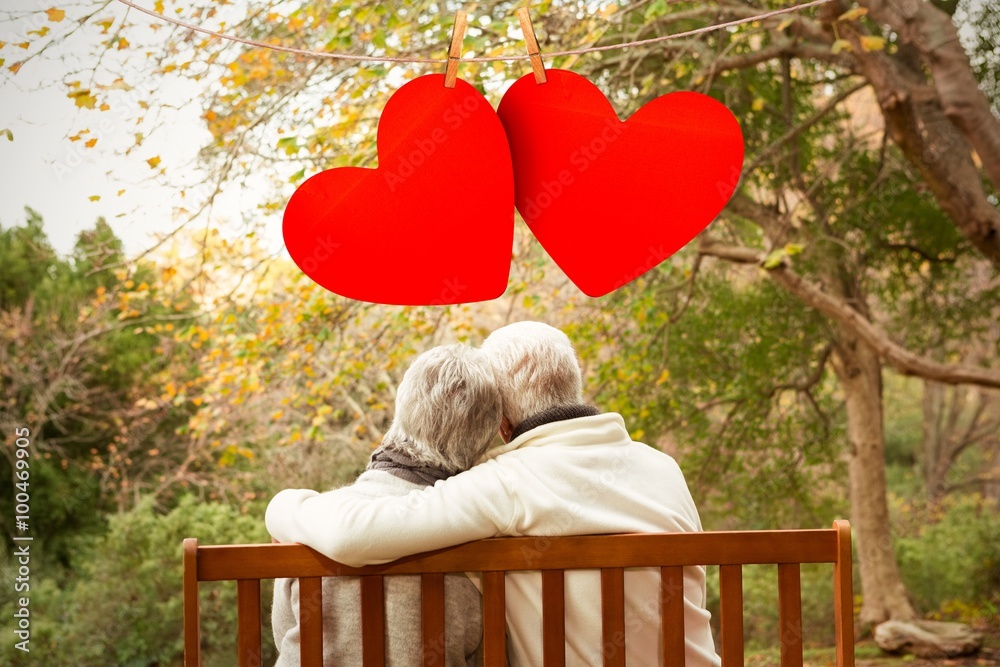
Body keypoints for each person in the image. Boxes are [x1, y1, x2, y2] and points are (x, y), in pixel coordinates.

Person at [267, 322, 720, 666]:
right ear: (574, 385)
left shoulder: (508, 481)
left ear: (501, 424)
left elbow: (353, 538)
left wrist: (285, 504)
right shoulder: (664, 469)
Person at [271, 344, 502, 666]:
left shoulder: (310, 525)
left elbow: (284, 635)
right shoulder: (487, 538)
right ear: (489, 432)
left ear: (403, 406)